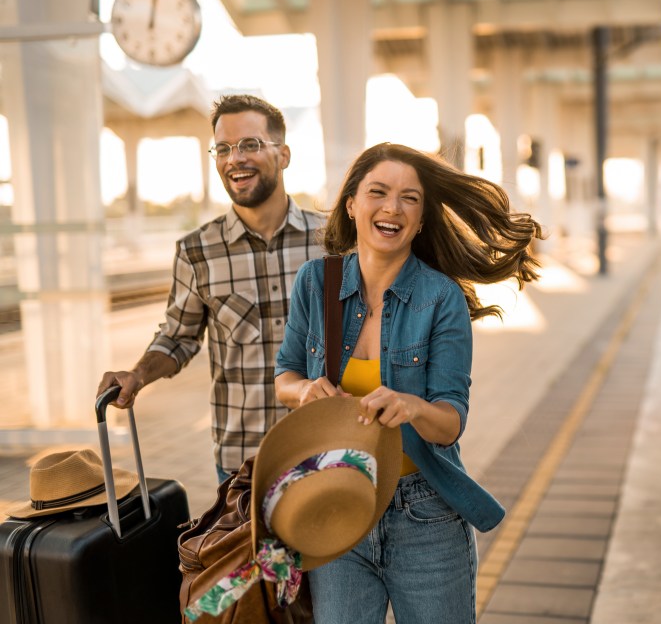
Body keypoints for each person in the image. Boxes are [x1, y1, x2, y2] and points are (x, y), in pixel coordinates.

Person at [274, 142, 543, 623]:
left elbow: (450, 423)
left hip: (425, 515)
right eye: (378, 192)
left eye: (410, 198)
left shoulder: (442, 298)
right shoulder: (315, 282)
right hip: (337, 500)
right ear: (352, 204)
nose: (392, 207)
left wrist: (412, 407)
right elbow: (285, 376)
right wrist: (305, 391)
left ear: (420, 221)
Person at [98, 94, 326, 483]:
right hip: (244, 465)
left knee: (333, 548)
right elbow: (178, 338)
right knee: (254, 550)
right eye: (223, 149)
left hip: (326, 452)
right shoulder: (196, 252)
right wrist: (137, 375)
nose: (234, 158)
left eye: (250, 144)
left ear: (284, 154)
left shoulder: (331, 242)